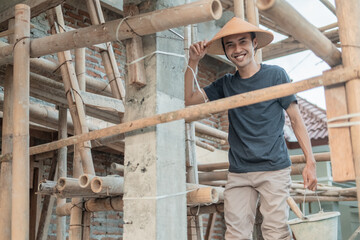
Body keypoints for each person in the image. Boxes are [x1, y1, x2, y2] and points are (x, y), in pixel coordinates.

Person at [184, 17, 317, 240]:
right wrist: (194, 62)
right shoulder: (225, 83)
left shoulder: (276, 75)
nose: (237, 49)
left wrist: (310, 163)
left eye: (243, 42)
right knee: (236, 234)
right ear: (226, 51)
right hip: (239, 171)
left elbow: (295, 120)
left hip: (274, 168)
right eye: (230, 45)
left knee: (275, 233)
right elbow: (188, 100)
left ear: (254, 43)